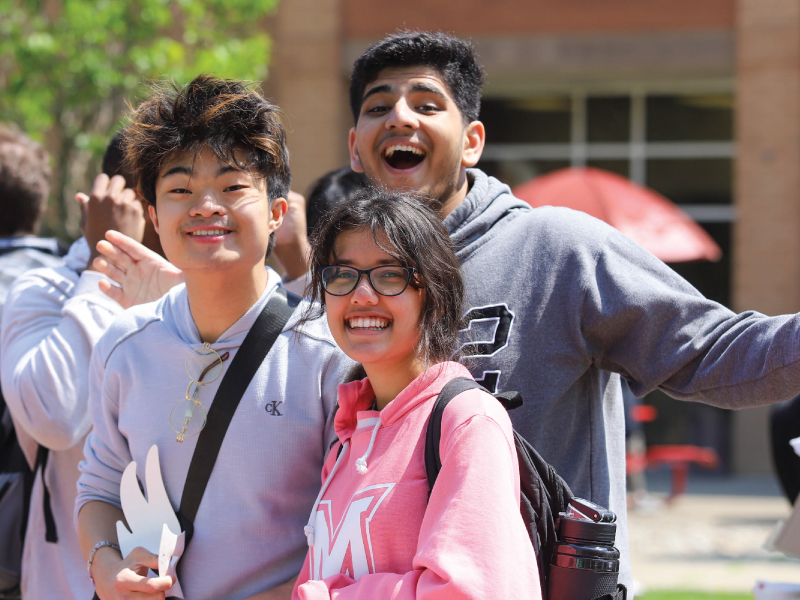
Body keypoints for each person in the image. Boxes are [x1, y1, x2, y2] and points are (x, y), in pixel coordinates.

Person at [89, 32, 800, 592]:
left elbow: (720, 353)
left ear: (474, 140)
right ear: (356, 149)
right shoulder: (345, 278)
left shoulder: (555, 247)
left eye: (428, 103)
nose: (400, 116)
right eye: (378, 106)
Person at [75, 75, 353, 600]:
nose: (205, 206)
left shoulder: (327, 354)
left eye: (231, 187)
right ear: (154, 218)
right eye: (181, 190)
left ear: (275, 214)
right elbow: (98, 487)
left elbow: (349, 532)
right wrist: (107, 569)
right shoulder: (124, 345)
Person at [293, 188, 539, 600]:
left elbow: (474, 592)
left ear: (434, 296)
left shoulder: (467, 420)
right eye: (341, 274)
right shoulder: (347, 436)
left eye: (390, 275)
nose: (361, 294)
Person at [0, 128, 148, 600]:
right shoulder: (47, 290)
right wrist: (108, 260)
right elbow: (55, 417)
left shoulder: (200, 296)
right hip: (64, 583)